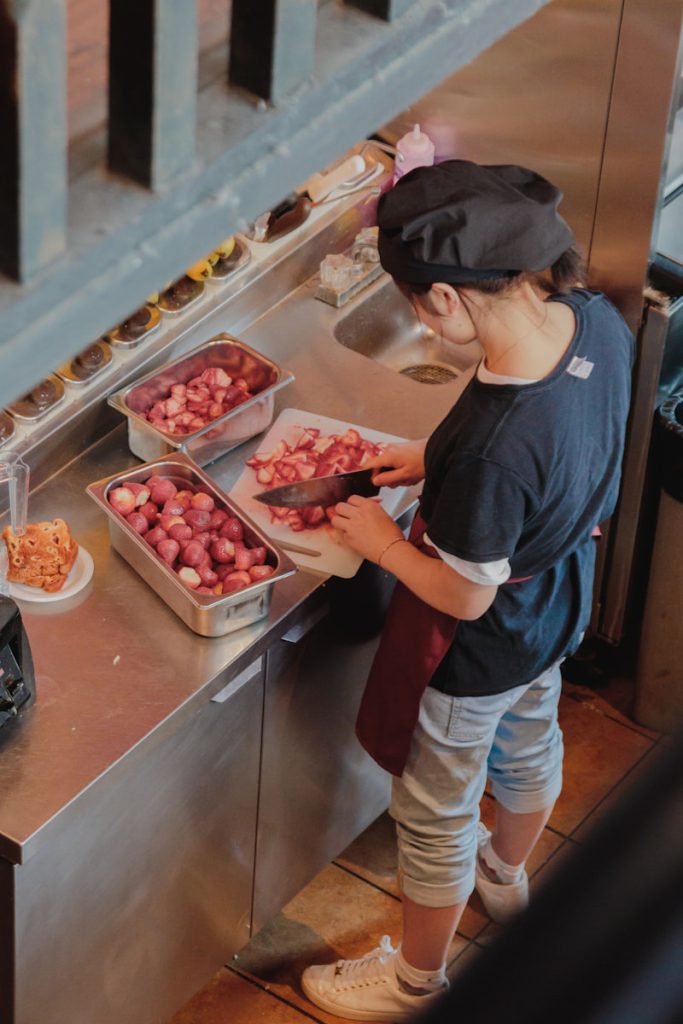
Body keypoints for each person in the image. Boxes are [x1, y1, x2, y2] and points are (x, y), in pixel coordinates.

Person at [300, 160, 634, 1022]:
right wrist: (431, 459)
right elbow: (538, 456)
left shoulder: (494, 450)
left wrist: (378, 542)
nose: (417, 315)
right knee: (529, 746)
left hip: (478, 648)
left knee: (435, 811)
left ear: (445, 300)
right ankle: (506, 877)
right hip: (556, 605)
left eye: (414, 301)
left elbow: (461, 597)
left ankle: (414, 984)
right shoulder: (591, 321)